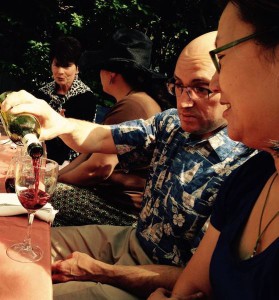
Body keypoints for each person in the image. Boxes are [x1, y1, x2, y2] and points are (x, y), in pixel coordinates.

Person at [2, 31, 257, 300]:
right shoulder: (171, 123)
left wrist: (99, 271)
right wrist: (58, 123)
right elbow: (103, 137)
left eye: (201, 88)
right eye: (178, 85)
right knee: (14, 251)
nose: (183, 101)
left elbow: (199, 281)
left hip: (160, 278)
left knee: (33, 291)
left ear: (232, 84)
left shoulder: (246, 166)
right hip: (131, 237)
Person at [148, 1, 279, 299]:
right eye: (178, 86)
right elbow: (190, 288)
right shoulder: (253, 176)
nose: (217, 83)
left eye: (222, 57)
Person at [52, 28, 163, 227]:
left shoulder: (132, 106)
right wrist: (56, 177)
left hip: (122, 210)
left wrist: (52, 184)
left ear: (111, 74)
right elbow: (88, 155)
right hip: (112, 200)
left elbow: (98, 168)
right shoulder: (134, 102)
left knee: (43, 197)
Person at [34, 35, 97, 165]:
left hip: (71, 163)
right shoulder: (42, 93)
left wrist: (60, 126)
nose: (60, 71)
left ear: (77, 68)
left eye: (66, 66)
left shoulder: (86, 98)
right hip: (39, 156)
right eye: (57, 65)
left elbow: (81, 141)